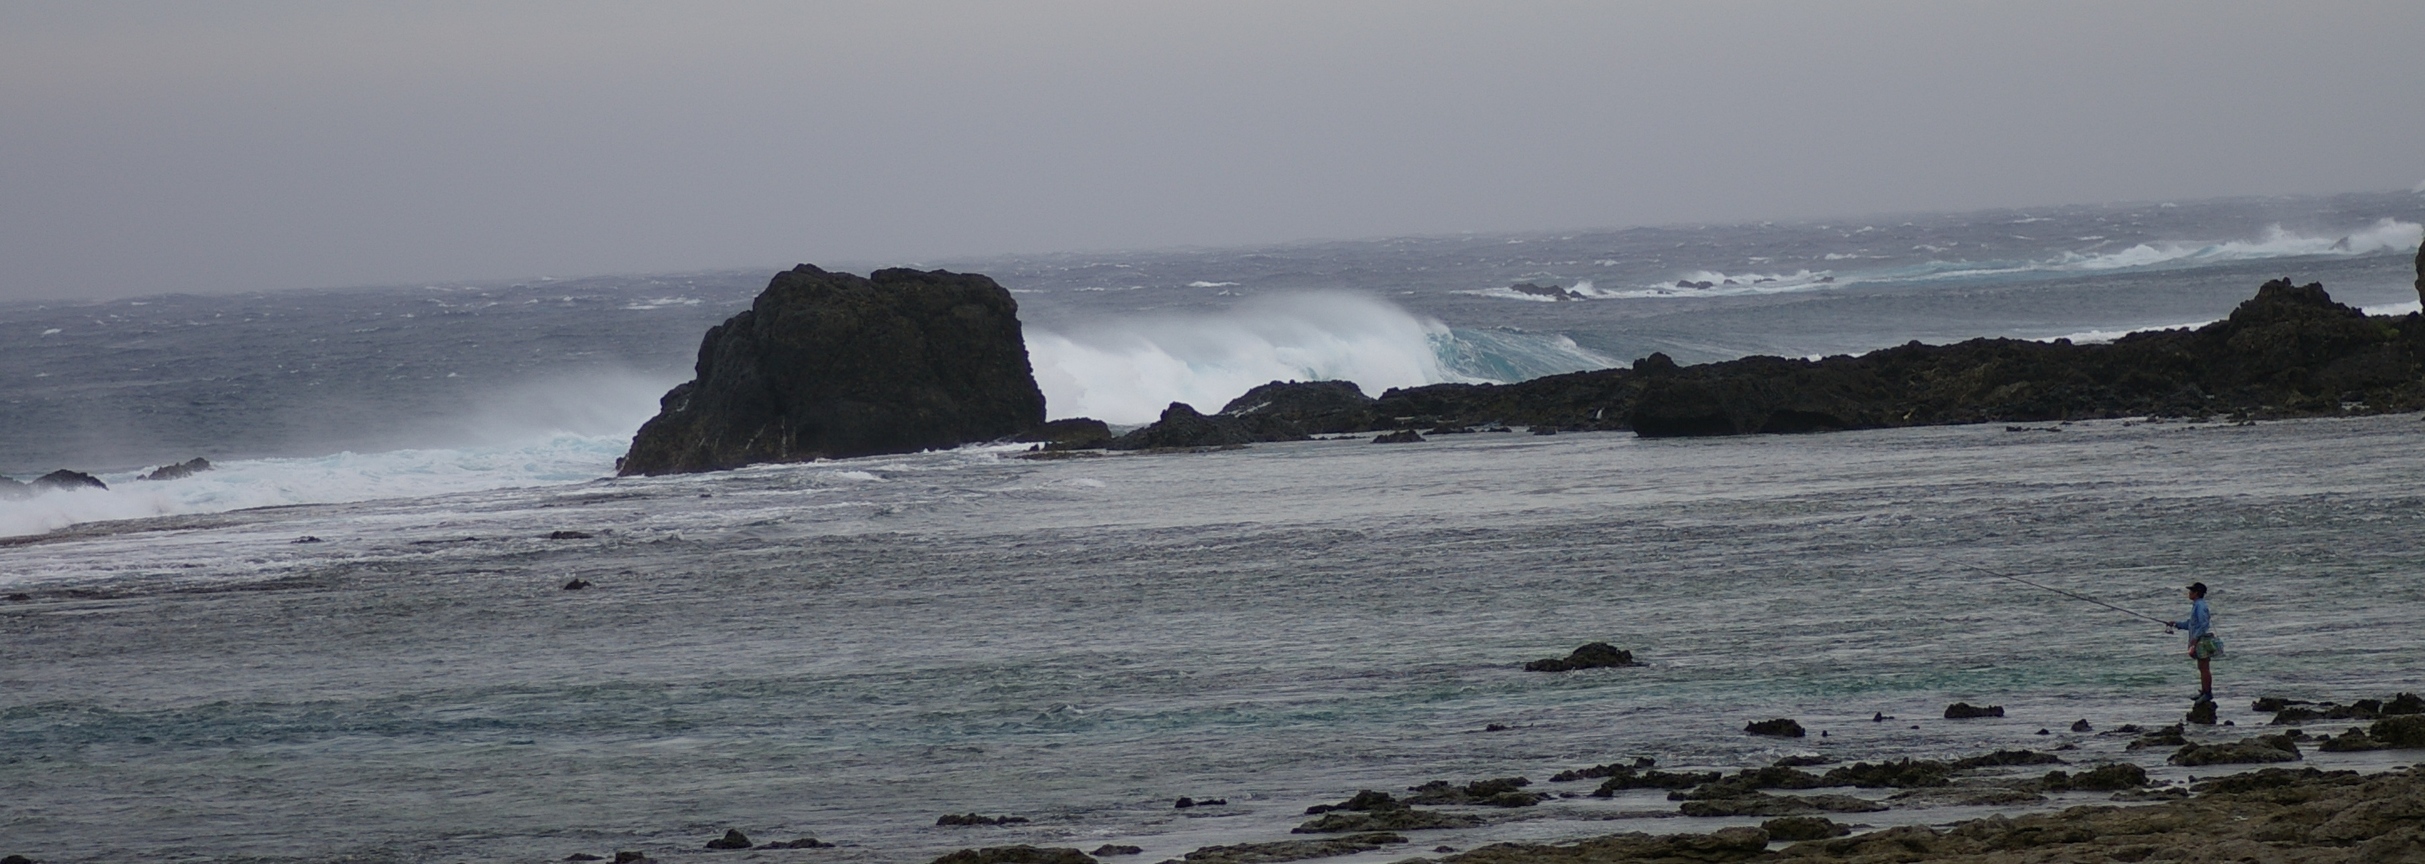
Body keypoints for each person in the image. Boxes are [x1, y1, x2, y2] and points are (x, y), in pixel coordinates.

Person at [2166, 582, 2216, 703]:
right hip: (2199, 639)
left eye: (2191, 591)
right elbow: (2191, 624)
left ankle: (2207, 693)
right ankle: (2204, 691)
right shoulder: (2197, 605)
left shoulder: (2200, 606)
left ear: (2197, 593)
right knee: (2202, 667)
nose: (2189, 593)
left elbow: (2204, 624)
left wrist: (2196, 637)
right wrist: (2176, 624)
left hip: (2202, 640)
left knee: (2204, 668)